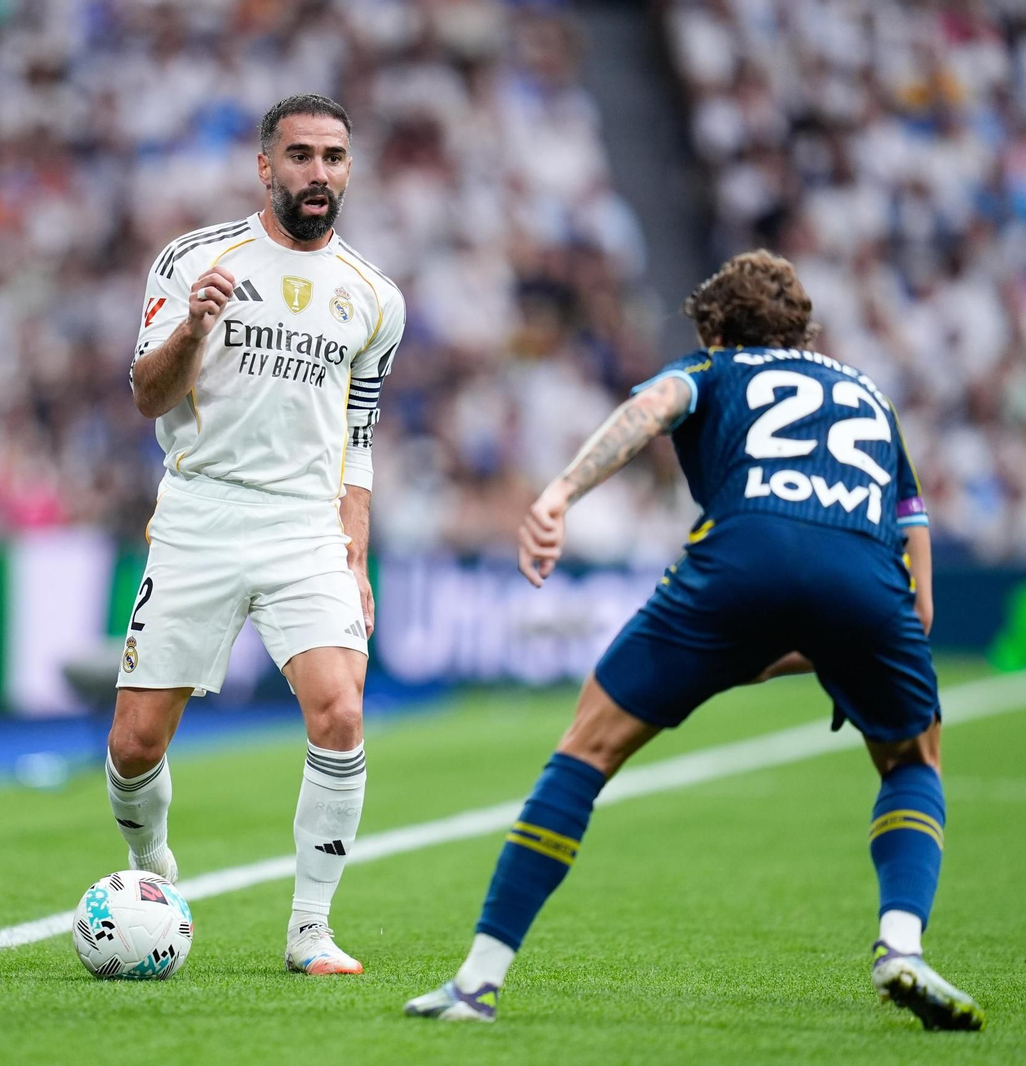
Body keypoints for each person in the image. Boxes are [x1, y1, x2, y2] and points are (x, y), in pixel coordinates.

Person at [403, 250, 984, 1029]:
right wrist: (823, 652)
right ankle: (903, 946)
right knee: (913, 760)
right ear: (803, 331)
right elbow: (921, 606)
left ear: (715, 329)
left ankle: (477, 982)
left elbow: (648, 412)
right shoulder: (869, 399)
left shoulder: (712, 372)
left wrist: (559, 493)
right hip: (863, 580)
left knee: (587, 749)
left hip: (740, 556)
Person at [106, 94, 405, 975]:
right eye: (303, 156)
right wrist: (195, 327)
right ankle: (150, 867)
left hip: (304, 526)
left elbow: (359, 437)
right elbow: (146, 396)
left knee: (341, 711)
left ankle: (310, 927)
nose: (320, 174)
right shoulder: (196, 260)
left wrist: (355, 554)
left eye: (335, 158)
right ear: (265, 166)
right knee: (133, 747)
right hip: (200, 511)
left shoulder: (374, 298)